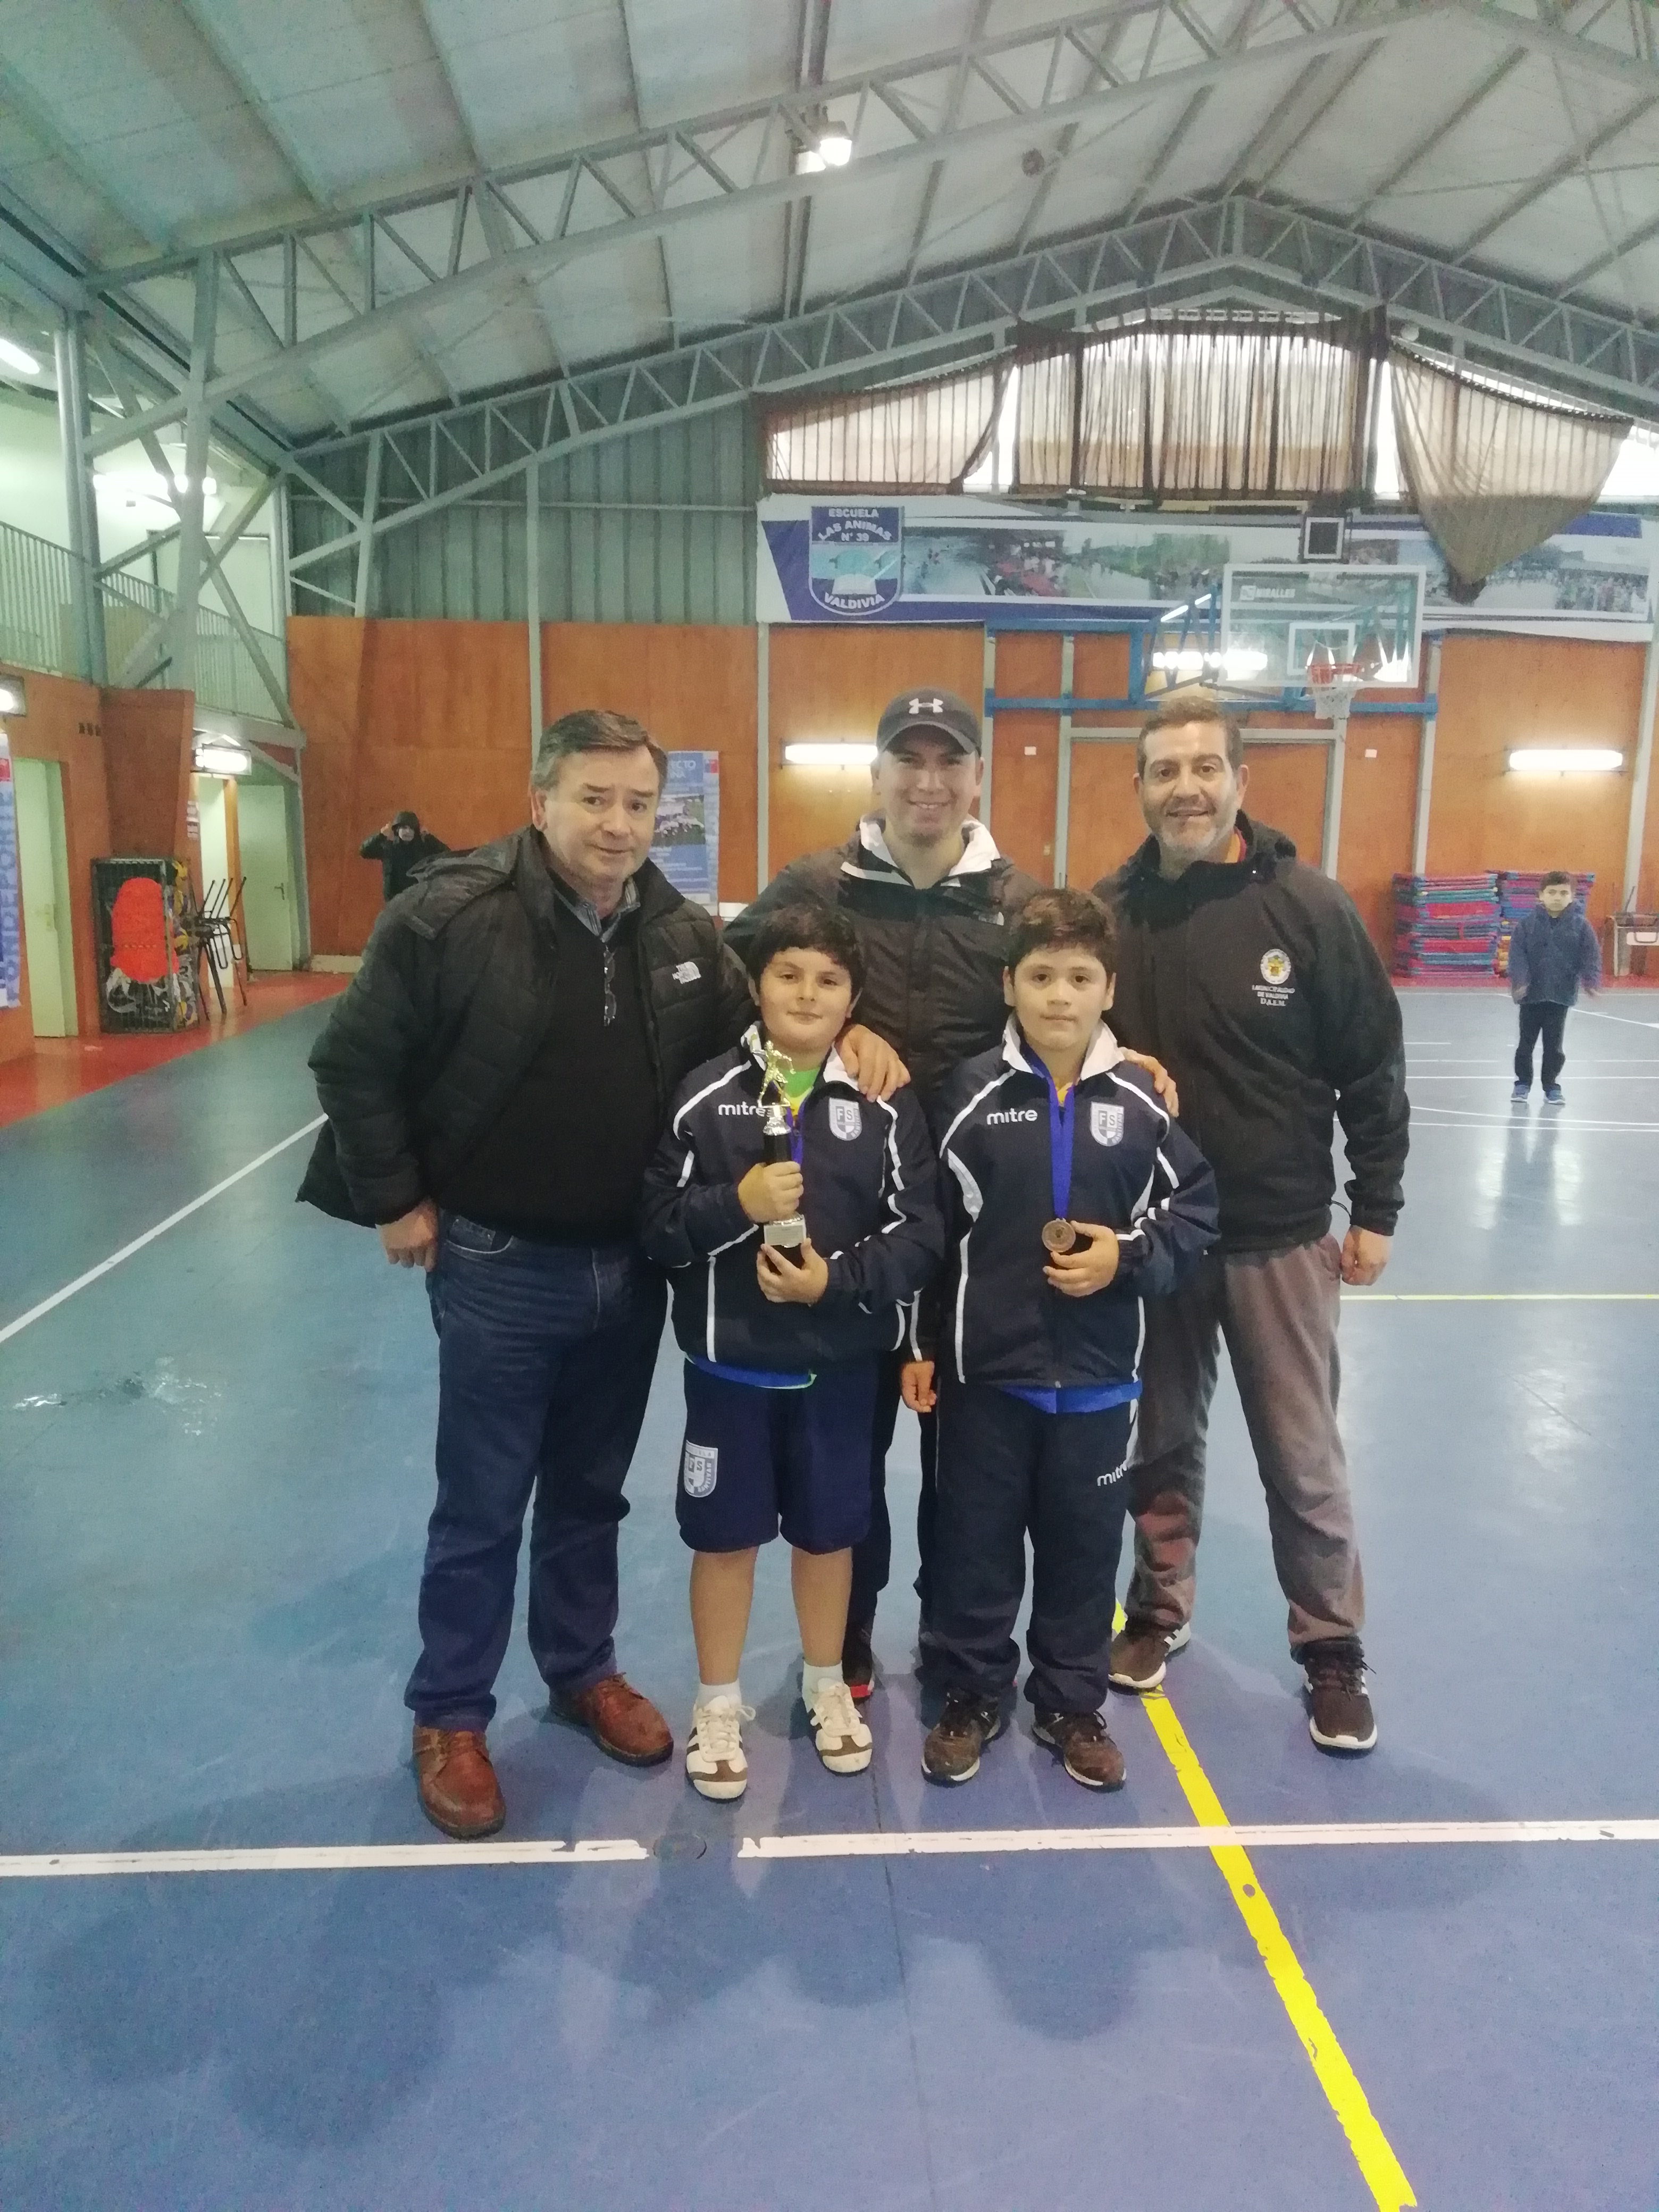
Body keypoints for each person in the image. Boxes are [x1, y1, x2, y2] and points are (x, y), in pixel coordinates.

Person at [300, 710, 903, 1840]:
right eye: (594, 799)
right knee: (483, 1502)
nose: (618, 824)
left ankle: (580, 1670)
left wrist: (853, 1042)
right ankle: (451, 1715)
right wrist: (394, 1195)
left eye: (639, 804)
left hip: (627, 1267)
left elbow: (761, 1031)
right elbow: (353, 1059)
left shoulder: (676, 930)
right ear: (542, 802)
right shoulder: (448, 913)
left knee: (590, 1492)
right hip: (498, 1261)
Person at [1094, 691, 1409, 1756]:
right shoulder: (1112, 913)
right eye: (1164, 770)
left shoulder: (1309, 909)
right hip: (1159, 1238)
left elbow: (1371, 1064)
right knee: (1159, 1441)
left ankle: (1331, 1646)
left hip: (1279, 1233)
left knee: (1302, 1456)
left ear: (1239, 779)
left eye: (1203, 767)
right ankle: (1157, 1609)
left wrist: (1377, 1207)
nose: (1184, 787)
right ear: (1139, 786)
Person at [723, 689, 1044, 1695]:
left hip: (977, 1238)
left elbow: (1070, 998)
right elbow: (739, 985)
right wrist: (839, 1027)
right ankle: (848, 1636)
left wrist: (1139, 1058)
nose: (929, 782)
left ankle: (955, 1643)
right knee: (848, 1452)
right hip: (851, 1234)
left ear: (977, 778)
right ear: (878, 775)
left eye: (950, 761)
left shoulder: (1018, 901)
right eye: (910, 760)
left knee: (967, 1461)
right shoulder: (817, 886)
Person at [904, 890, 1217, 1791]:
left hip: (1099, 1382)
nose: (1059, 996)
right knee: (975, 1543)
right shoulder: (966, 1095)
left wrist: (1126, 1256)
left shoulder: (1143, 1103)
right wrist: (919, 1344)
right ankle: (971, 1690)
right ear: (1009, 984)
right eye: (1041, 976)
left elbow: (1194, 1212)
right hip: (986, 1381)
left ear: (1109, 990)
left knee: (1083, 1550)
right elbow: (929, 1232)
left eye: (1080, 978)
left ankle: (1072, 1701)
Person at [638, 903, 943, 1802]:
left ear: (854, 997)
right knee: (725, 1540)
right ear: (757, 985)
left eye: (829, 980)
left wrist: (832, 1284)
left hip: (838, 1372)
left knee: (829, 1535)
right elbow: (657, 1226)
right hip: (729, 1371)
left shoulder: (884, 1102)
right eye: (789, 975)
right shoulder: (706, 1096)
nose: (807, 994)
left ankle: (825, 1681)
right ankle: (717, 1702)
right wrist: (736, 1203)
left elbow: (920, 1233)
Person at [1509, 871, 1601, 1105]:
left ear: (1572, 896)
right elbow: (1517, 956)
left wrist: (1591, 982)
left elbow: (1590, 956)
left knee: (1554, 1047)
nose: (1557, 897)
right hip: (1531, 997)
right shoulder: (1526, 926)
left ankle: (1551, 1086)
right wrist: (1520, 981)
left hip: (1561, 996)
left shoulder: (1582, 927)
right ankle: (1522, 1084)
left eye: (1563, 893)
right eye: (1552, 892)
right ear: (1541, 895)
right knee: (1525, 1044)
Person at [360, 810, 448, 902]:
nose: (408, 832)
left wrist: (430, 838)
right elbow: (364, 852)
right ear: (397, 829)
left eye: (412, 829)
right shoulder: (389, 848)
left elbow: (446, 854)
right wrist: (381, 836)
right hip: (394, 901)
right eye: (404, 828)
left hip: (418, 900)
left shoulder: (423, 848)